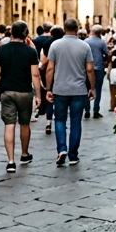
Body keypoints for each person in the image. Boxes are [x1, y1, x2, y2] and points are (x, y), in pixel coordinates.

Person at [0, 21, 41, 173]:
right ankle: (24, 154)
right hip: (25, 92)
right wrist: (38, 95)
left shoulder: (2, 50)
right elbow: (35, 75)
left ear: (11, 34)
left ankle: (11, 161)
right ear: (26, 34)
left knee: (9, 124)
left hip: (7, 92)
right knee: (25, 124)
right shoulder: (31, 51)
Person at [45, 18, 94, 167]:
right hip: (78, 90)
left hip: (60, 89)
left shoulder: (55, 45)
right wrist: (92, 88)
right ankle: (73, 155)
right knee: (75, 122)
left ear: (64, 28)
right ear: (78, 28)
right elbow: (90, 69)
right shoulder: (84, 46)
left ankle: (62, 149)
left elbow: (49, 68)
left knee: (59, 120)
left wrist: (48, 88)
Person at [85, 25, 109, 119]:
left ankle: (87, 110)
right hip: (98, 68)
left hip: (87, 68)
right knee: (97, 89)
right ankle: (95, 111)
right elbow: (106, 54)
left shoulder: (86, 42)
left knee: (86, 89)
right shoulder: (101, 42)